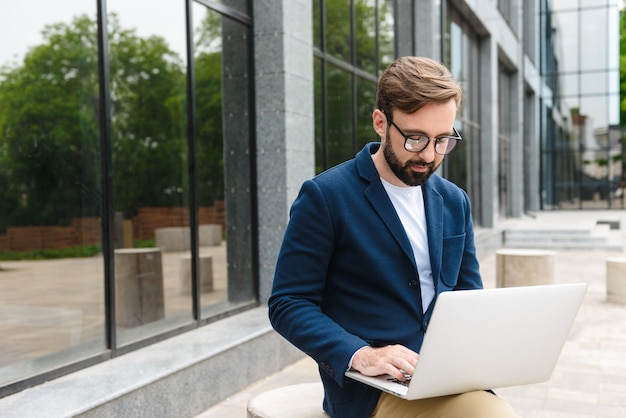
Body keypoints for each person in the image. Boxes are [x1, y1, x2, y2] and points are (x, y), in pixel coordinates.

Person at [268, 56, 519, 418]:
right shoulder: (326, 196)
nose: (430, 155)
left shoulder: (454, 201)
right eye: (415, 138)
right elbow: (288, 303)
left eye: (443, 140)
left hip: (448, 376)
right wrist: (361, 355)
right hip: (371, 386)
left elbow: (468, 297)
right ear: (380, 123)